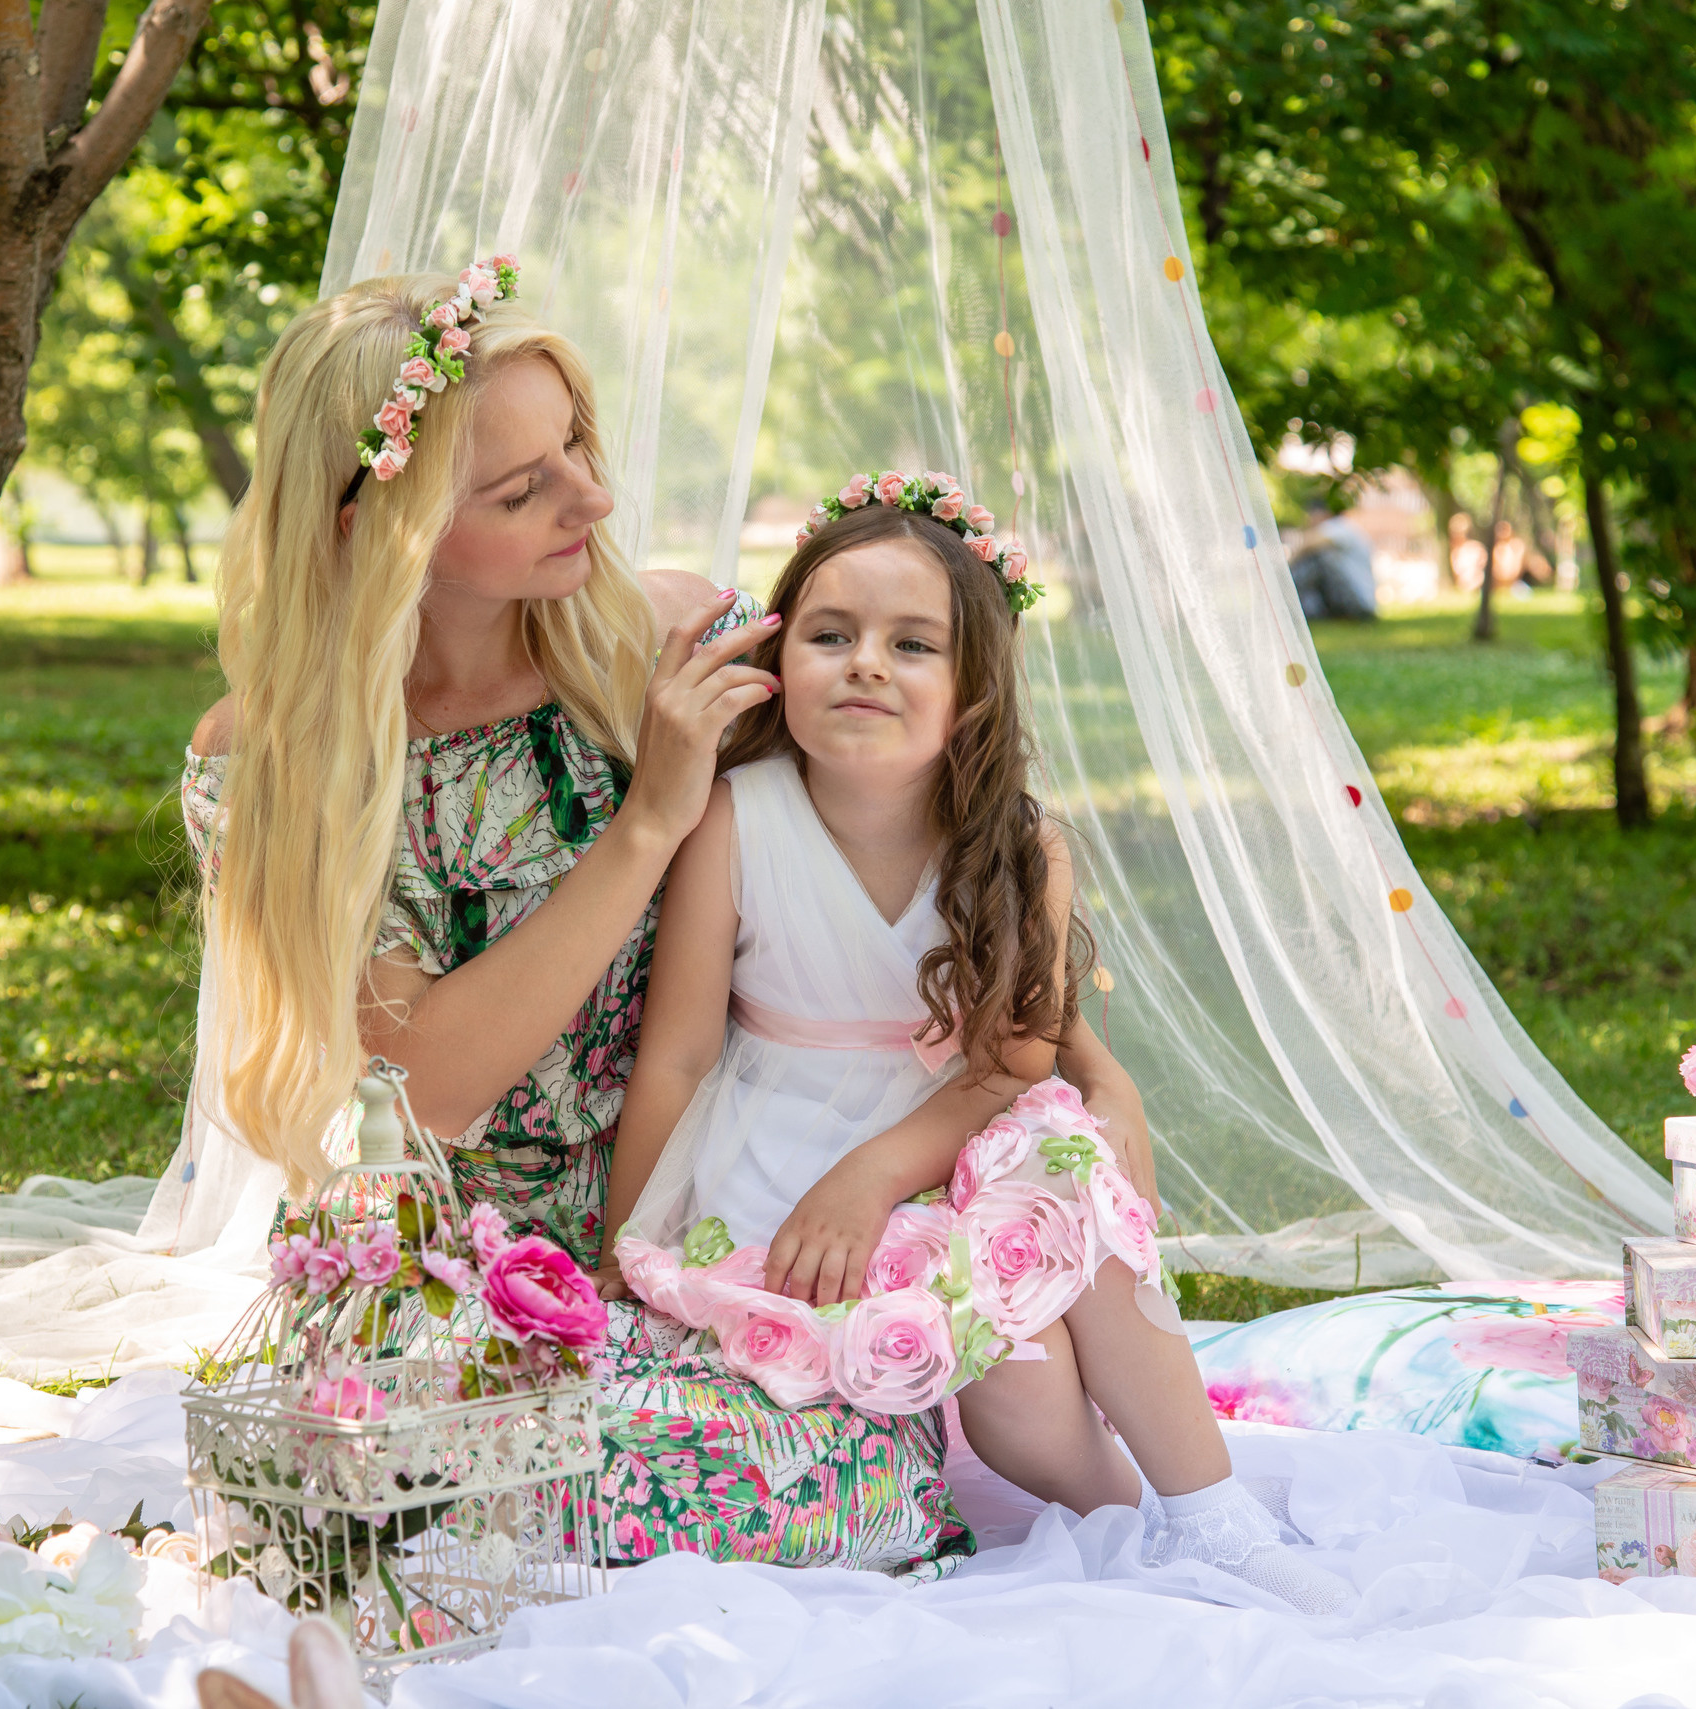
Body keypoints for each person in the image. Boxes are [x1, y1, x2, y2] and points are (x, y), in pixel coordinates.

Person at [186, 261, 1153, 1576]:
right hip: (472, 1258)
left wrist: (1096, 1118)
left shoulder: (671, 637)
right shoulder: (282, 763)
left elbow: (948, 857)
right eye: (523, 487)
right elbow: (440, 1084)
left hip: (722, 1220)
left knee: (732, 1492)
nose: (593, 495)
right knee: (398, 1511)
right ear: (384, 523)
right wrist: (647, 822)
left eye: (576, 440)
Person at [602, 478, 1352, 1614]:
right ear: (777, 656)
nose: (865, 663)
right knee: (1021, 1412)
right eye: (829, 634)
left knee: (1059, 1181)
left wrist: (878, 1170)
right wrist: (625, 1244)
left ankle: (1213, 1517)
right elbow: (677, 1056)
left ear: (970, 693)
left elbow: (1014, 1062)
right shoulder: (731, 816)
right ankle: (1123, 1523)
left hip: (956, 1131)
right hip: (781, 1148)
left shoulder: (1018, 843)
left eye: (912, 644)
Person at [1286, 505, 1377, 621]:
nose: (1309, 520)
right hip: (1355, 601)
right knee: (1313, 563)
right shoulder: (1346, 527)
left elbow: (1309, 544)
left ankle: (1283, 596)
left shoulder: (1338, 526)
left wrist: (1287, 567)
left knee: (1318, 558)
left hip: (1358, 603)